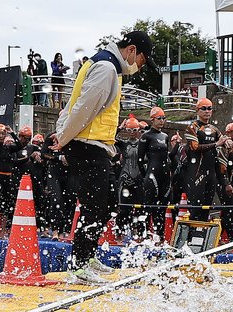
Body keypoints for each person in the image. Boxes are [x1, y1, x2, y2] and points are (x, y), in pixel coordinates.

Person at [54, 30, 154, 284]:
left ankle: (86, 257)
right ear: (131, 50)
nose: (140, 67)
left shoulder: (104, 65)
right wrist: (63, 138)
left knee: (107, 201)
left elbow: (74, 104)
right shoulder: (106, 68)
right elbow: (83, 108)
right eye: (142, 60)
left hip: (94, 145)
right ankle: (78, 265)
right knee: (95, 204)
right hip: (87, 144)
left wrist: (62, 132)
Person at [179, 98, 224, 223]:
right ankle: (193, 237)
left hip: (211, 174)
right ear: (197, 110)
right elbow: (195, 147)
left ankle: (202, 235)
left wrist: (228, 142)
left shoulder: (214, 129)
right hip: (196, 173)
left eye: (209, 108)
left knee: (207, 208)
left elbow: (223, 141)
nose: (207, 111)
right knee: (195, 209)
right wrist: (216, 144)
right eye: (203, 108)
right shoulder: (192, 127)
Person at [138, 107, 172, 239]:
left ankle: (160, 236)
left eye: (164, 118)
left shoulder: (165, 136)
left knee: (162, 207)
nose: (162, 121)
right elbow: (140, 160)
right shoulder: (146, 136)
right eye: (159, 118)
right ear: (152, 120)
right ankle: (144, 235)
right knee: (148, 206)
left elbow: (167, 156)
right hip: (152, 174)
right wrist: (145, 175)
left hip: (164, 175)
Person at [116, 115, 147, 239]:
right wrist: (120, 128)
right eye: (129, 130)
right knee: (124, 208)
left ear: (139, 130)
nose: (132, 133)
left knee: (140, 209)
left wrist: (147, 128)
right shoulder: (124, 144)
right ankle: (120, 233)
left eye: (135, 130)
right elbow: (111, 138)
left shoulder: (144, 143)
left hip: (139, 179)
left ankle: (140, 234)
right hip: (125, 178)